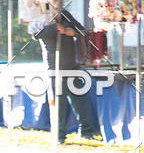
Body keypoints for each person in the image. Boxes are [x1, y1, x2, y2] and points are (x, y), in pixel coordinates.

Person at [33, 8, 101, 143]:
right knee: (59, 104)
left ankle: (86, 131)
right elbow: (36, 35)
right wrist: (54, 28)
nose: (55, 7)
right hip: (54, 68)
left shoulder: (65, 15)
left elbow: (81, 30)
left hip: (72, 66)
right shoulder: (41, 16)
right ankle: (59, 136)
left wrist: (71, 31)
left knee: (81, 101)